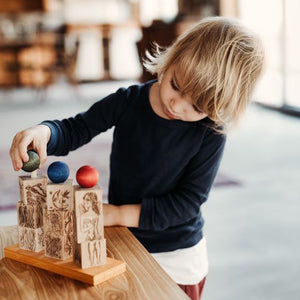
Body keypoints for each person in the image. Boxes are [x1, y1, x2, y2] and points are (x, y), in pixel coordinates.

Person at [10, 17, 265, 300]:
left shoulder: (211, 133)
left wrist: (118, 214)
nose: (176, 106)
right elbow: (77, 128)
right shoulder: (129, 101)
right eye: (176, 85)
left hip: (176, 254)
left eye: (197, 106)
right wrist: (45, 131)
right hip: (124, 239)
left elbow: (186, 203)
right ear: (172, 59)